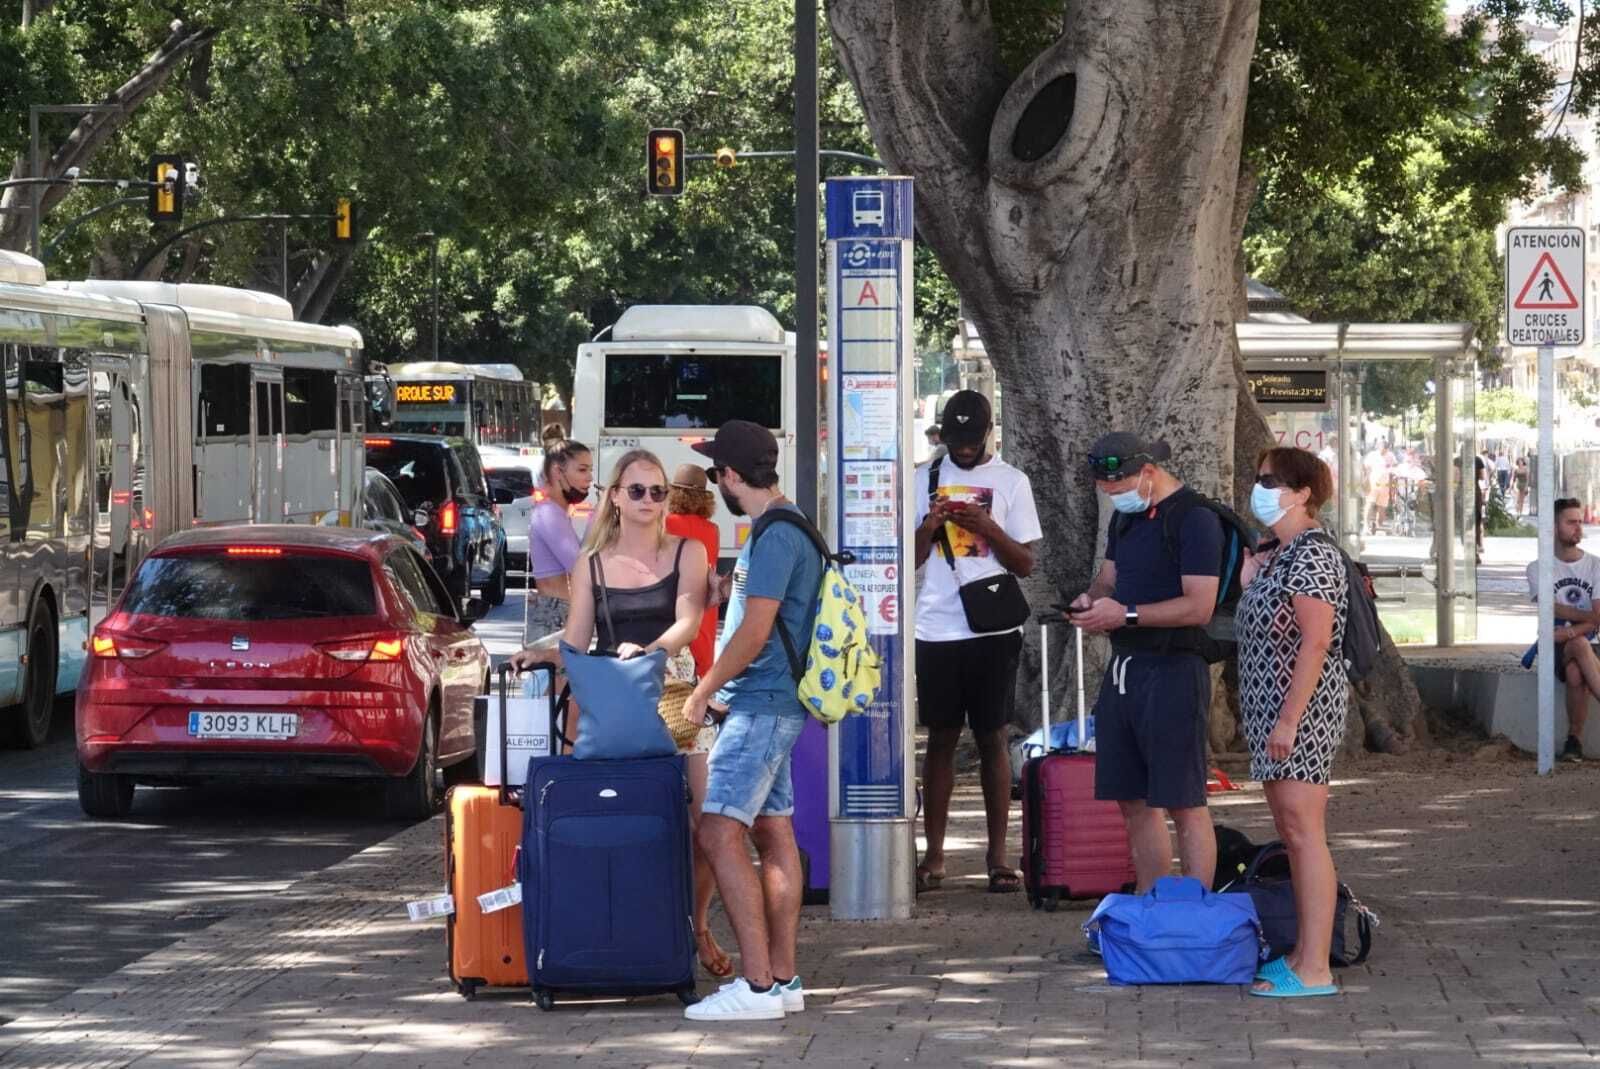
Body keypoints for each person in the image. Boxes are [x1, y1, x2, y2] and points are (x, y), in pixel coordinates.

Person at [515, 448, 735, 977]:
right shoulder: (591, 562)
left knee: (709, 824)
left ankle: (696, 925)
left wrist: (651, 650)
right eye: (637, 490)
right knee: (618, 819)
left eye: (658, 491)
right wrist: (542, 654)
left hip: (677, 692)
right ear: (614, 496)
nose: (648, 500)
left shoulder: (687, 551)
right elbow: (576, 639)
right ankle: (631, 930)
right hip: (616, 699)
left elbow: (687, 620)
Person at [680, 420, 823, 1022]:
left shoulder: (774, 537)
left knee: (717, 833)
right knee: (773, 831)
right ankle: (783, 980)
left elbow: (756, 630)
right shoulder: (793, 525)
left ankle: (758, 984)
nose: (717, 482)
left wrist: (704, 690)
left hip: (760, 703)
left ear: (733, 475)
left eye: (718, 472)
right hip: (778, 701)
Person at [1068, 432, 1219, 892]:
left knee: (1183, 800)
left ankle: (1194, 907)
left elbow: (1199, 606)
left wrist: (1127, 615)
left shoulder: (1195, 518)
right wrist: (1090, 601)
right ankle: (1150, 899)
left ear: (1148, 473)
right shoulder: (1126, 518)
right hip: (1125, 668)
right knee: (1131, 798)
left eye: (1119, 487)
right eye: (1106, 490)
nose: (1114, 497)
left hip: (1174, 669)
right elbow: (1109, 579)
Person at [911, 390, 1041, 895]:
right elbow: (909, 559)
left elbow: (1025, 564)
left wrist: (987, 527)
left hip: (993, 630)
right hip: (935, 627)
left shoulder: (1011, 481)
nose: (963, 449)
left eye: (971, 440)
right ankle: (934, 855)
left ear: (988, 432)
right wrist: (931, 525)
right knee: (941, 738)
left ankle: (998, 856)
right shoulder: (923, 478)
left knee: (993, 737)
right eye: (955, 440)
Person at [1236, 447, 1349, 998]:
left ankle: (1315, 966)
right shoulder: (1279, 553)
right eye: (1259, 479)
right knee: (1292, 832)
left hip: (1299, 714)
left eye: (1270, 481)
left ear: (1302, 493)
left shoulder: (1313, 555)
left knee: (1304, 835)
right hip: (1272, 713)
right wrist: (1248, 579)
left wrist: (1287, 721)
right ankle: (1303, 954)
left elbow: (1316, 641)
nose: (1259, 489)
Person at [1526, 497, 1600, 763]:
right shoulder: (1537, 568)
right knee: (1579, 646)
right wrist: (1587, 619)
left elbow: (1598, 617)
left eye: (1580, 522)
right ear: (1554, 527)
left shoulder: (1595, 565)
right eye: (1571, 522)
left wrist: (1570, 631)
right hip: (1554, 645)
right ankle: (1573, 740)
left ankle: (1574, 741)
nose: (1578, 527)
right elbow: (1549, 608)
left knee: (1575, 670)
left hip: (1584, 642)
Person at [522, 440, 593, 643]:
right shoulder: (548, 513)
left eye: (590, 470)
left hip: (558, 616)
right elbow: (580, 567)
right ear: (557, 471)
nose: (589, 478)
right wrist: (596, 521)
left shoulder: (555, 513)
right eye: (582, 470)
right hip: (553, 619)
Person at [666, 463, 722, 679]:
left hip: (674, 607)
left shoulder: (664, 524)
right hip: (704, 609)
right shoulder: (713, 530)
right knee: (701, 673)